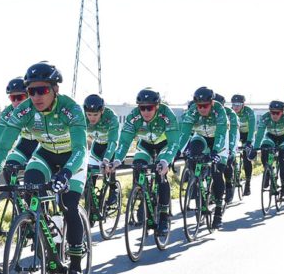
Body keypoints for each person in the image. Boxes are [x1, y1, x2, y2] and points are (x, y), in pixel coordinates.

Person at [0, 62, 88, 274]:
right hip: (45, 154)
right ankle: (47, 232)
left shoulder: (71, 109)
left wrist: (66, 173)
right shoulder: (25, 110)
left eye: (43, 90)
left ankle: (76, 267)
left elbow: (81, 148)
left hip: (73, 159)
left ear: (55, 89)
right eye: (31, 91)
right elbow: (4, 145)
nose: (37, 96)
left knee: (69, 205)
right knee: (30, 187)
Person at [110, 88, 181, 237]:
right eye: (142, 108)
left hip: (164, 145)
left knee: (161, 174)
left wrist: (166, 161)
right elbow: (124, 142)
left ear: (157, 106)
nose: (146, 111)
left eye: (150, 108)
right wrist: (117, 160)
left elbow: (174, 142)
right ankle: (143, 198)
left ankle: (163, 215)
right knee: (138, 167)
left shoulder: (166, 114)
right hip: (145, 145)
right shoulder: (133, 116)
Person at [176, 86, 230, 229]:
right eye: (199, 106)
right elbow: (184, 134)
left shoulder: (219, 110)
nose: (202, 109)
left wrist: (216, 151)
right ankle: (199, 182)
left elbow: (221, 134)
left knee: (218, 172)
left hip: (219, 139)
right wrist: (178, 151)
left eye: (205, 106)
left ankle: (218, 212)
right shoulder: (193, 111)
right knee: (194, 154)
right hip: (201, 137)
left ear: (211, 103)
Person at [0, 77, 34, 185]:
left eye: (20, 97)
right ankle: (14, 193)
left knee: (34, 173)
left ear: (29, 95)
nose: (16, 101)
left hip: (43, 144)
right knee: (8, 167)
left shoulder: (37, 108)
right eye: (13, 98)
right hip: (25, 142)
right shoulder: (7, 113)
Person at [82, 93, 120, 207]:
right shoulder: (82, 118)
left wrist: (106, 160)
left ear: (102, 111)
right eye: (89, 114)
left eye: (95, 114)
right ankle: (90, 207)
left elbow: (113, 141)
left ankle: (113, 188)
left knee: (109, 169)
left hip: (110, 146)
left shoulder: (111, 117)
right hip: (97, 146)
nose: (92, 118)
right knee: (89, 176)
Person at [253, 100, 284, 198]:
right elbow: (260, 134)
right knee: (264, 149)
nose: (274, 115)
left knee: (283, 160)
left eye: (277, 113)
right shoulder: (265, 117)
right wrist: (255, 148)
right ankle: (267, 171)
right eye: (272, 112)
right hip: (270, 137)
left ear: (282, 112)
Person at [214, 93, 239, 203]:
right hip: (214, 137)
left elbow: (233, 133)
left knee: (227, 160)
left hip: (229, 136)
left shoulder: (230, 114)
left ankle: (228, 184)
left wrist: (231, 149)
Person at [231, 94, 257, 196]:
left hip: (247, 135)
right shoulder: (231, 112)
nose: (236, 107)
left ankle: (248, 184)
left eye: (238, 104)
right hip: (236, 133)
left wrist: (249, 142)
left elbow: (252, 128)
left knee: (246, 159)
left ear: (243, 104)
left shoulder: (249, 112)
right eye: (234, 104)